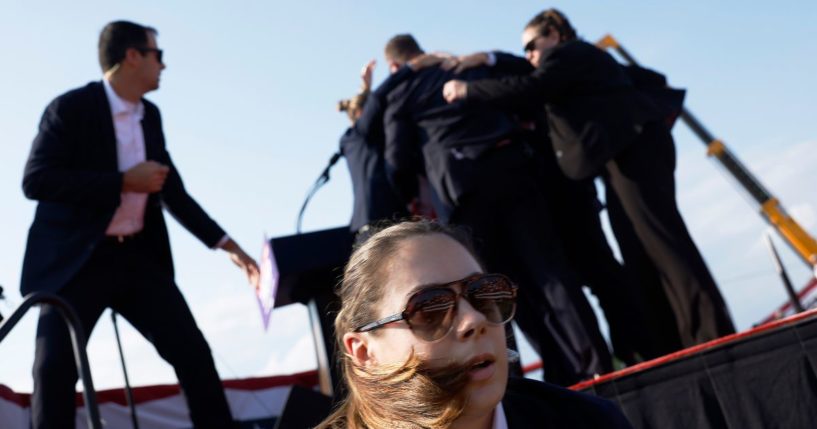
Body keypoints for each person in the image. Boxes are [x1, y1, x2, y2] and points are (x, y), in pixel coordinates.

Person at [442, 9, 735, 349]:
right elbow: (531, 72)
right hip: (620, 156)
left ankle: (713, 333)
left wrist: (468, 90)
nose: (530, 56)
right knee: (636, 245)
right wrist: (488, 58)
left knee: (661, 240)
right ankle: (676, 337)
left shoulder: (571, 53)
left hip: (635, 151)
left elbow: (532, 86)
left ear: (555, 34)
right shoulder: (571, 61)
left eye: (532, 46)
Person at [21, 21, 259, 428]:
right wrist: (122, 182)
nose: (163, 66)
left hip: (137, 260)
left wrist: (230, 247)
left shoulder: (150, 116)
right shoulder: (70, 108)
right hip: (77, 261)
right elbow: (36, 179)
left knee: (193, 353)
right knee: (53, 368)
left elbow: (173, 191)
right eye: (157, 55)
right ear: (132, 56)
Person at [380, 34, 613, 385]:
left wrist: (411, 191)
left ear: (395, 66)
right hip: (513, 170)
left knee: (493, 291)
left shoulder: (402, 89)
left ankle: (535, 377)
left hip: (464, 193)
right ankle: (597, 365)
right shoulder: (460, 67)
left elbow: (396, 159)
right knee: (550, 272)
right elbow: (520, 83)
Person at [316, 220, 633, 429]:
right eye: (430, 307)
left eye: (483, 294)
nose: (474, 320)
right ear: (363, 353)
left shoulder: (589, 423)